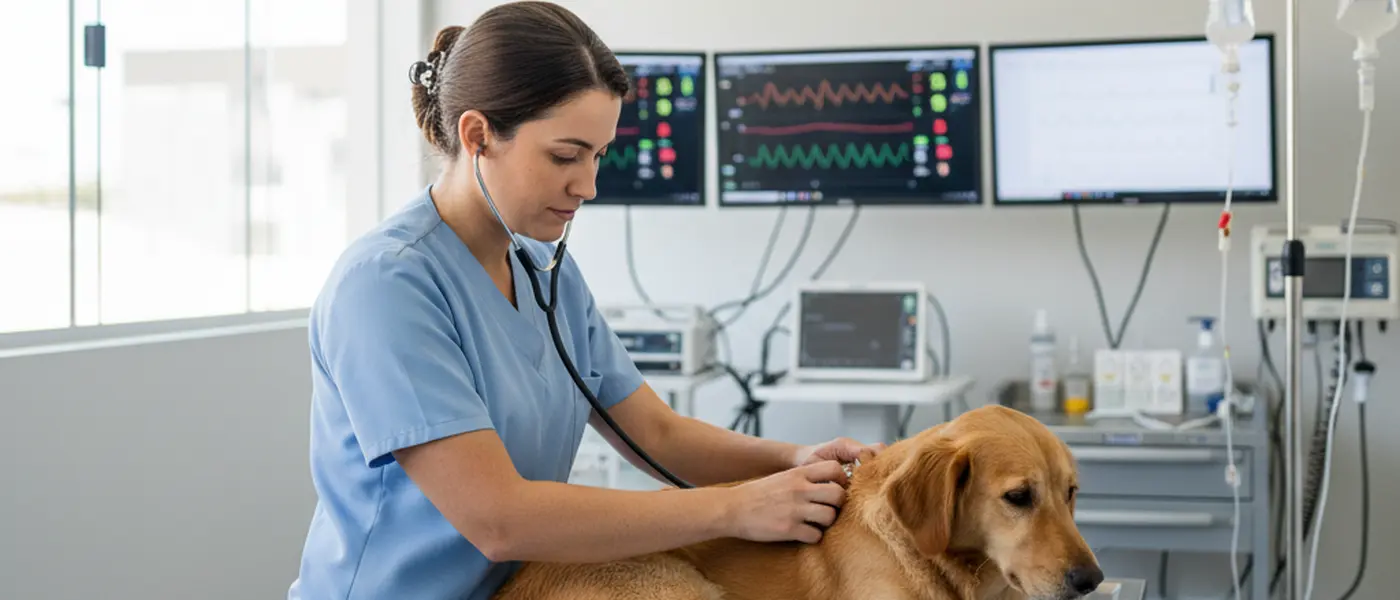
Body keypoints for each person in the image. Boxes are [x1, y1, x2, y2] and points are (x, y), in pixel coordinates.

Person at [287, 2, 884, 599]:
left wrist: (794, 458)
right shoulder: (386, 285)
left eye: (599, 156)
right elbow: (499, 519)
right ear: (477, 135)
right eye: (565, 156)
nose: (588, 186)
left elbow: (659, 435)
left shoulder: (548, 275)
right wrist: (732, 510)